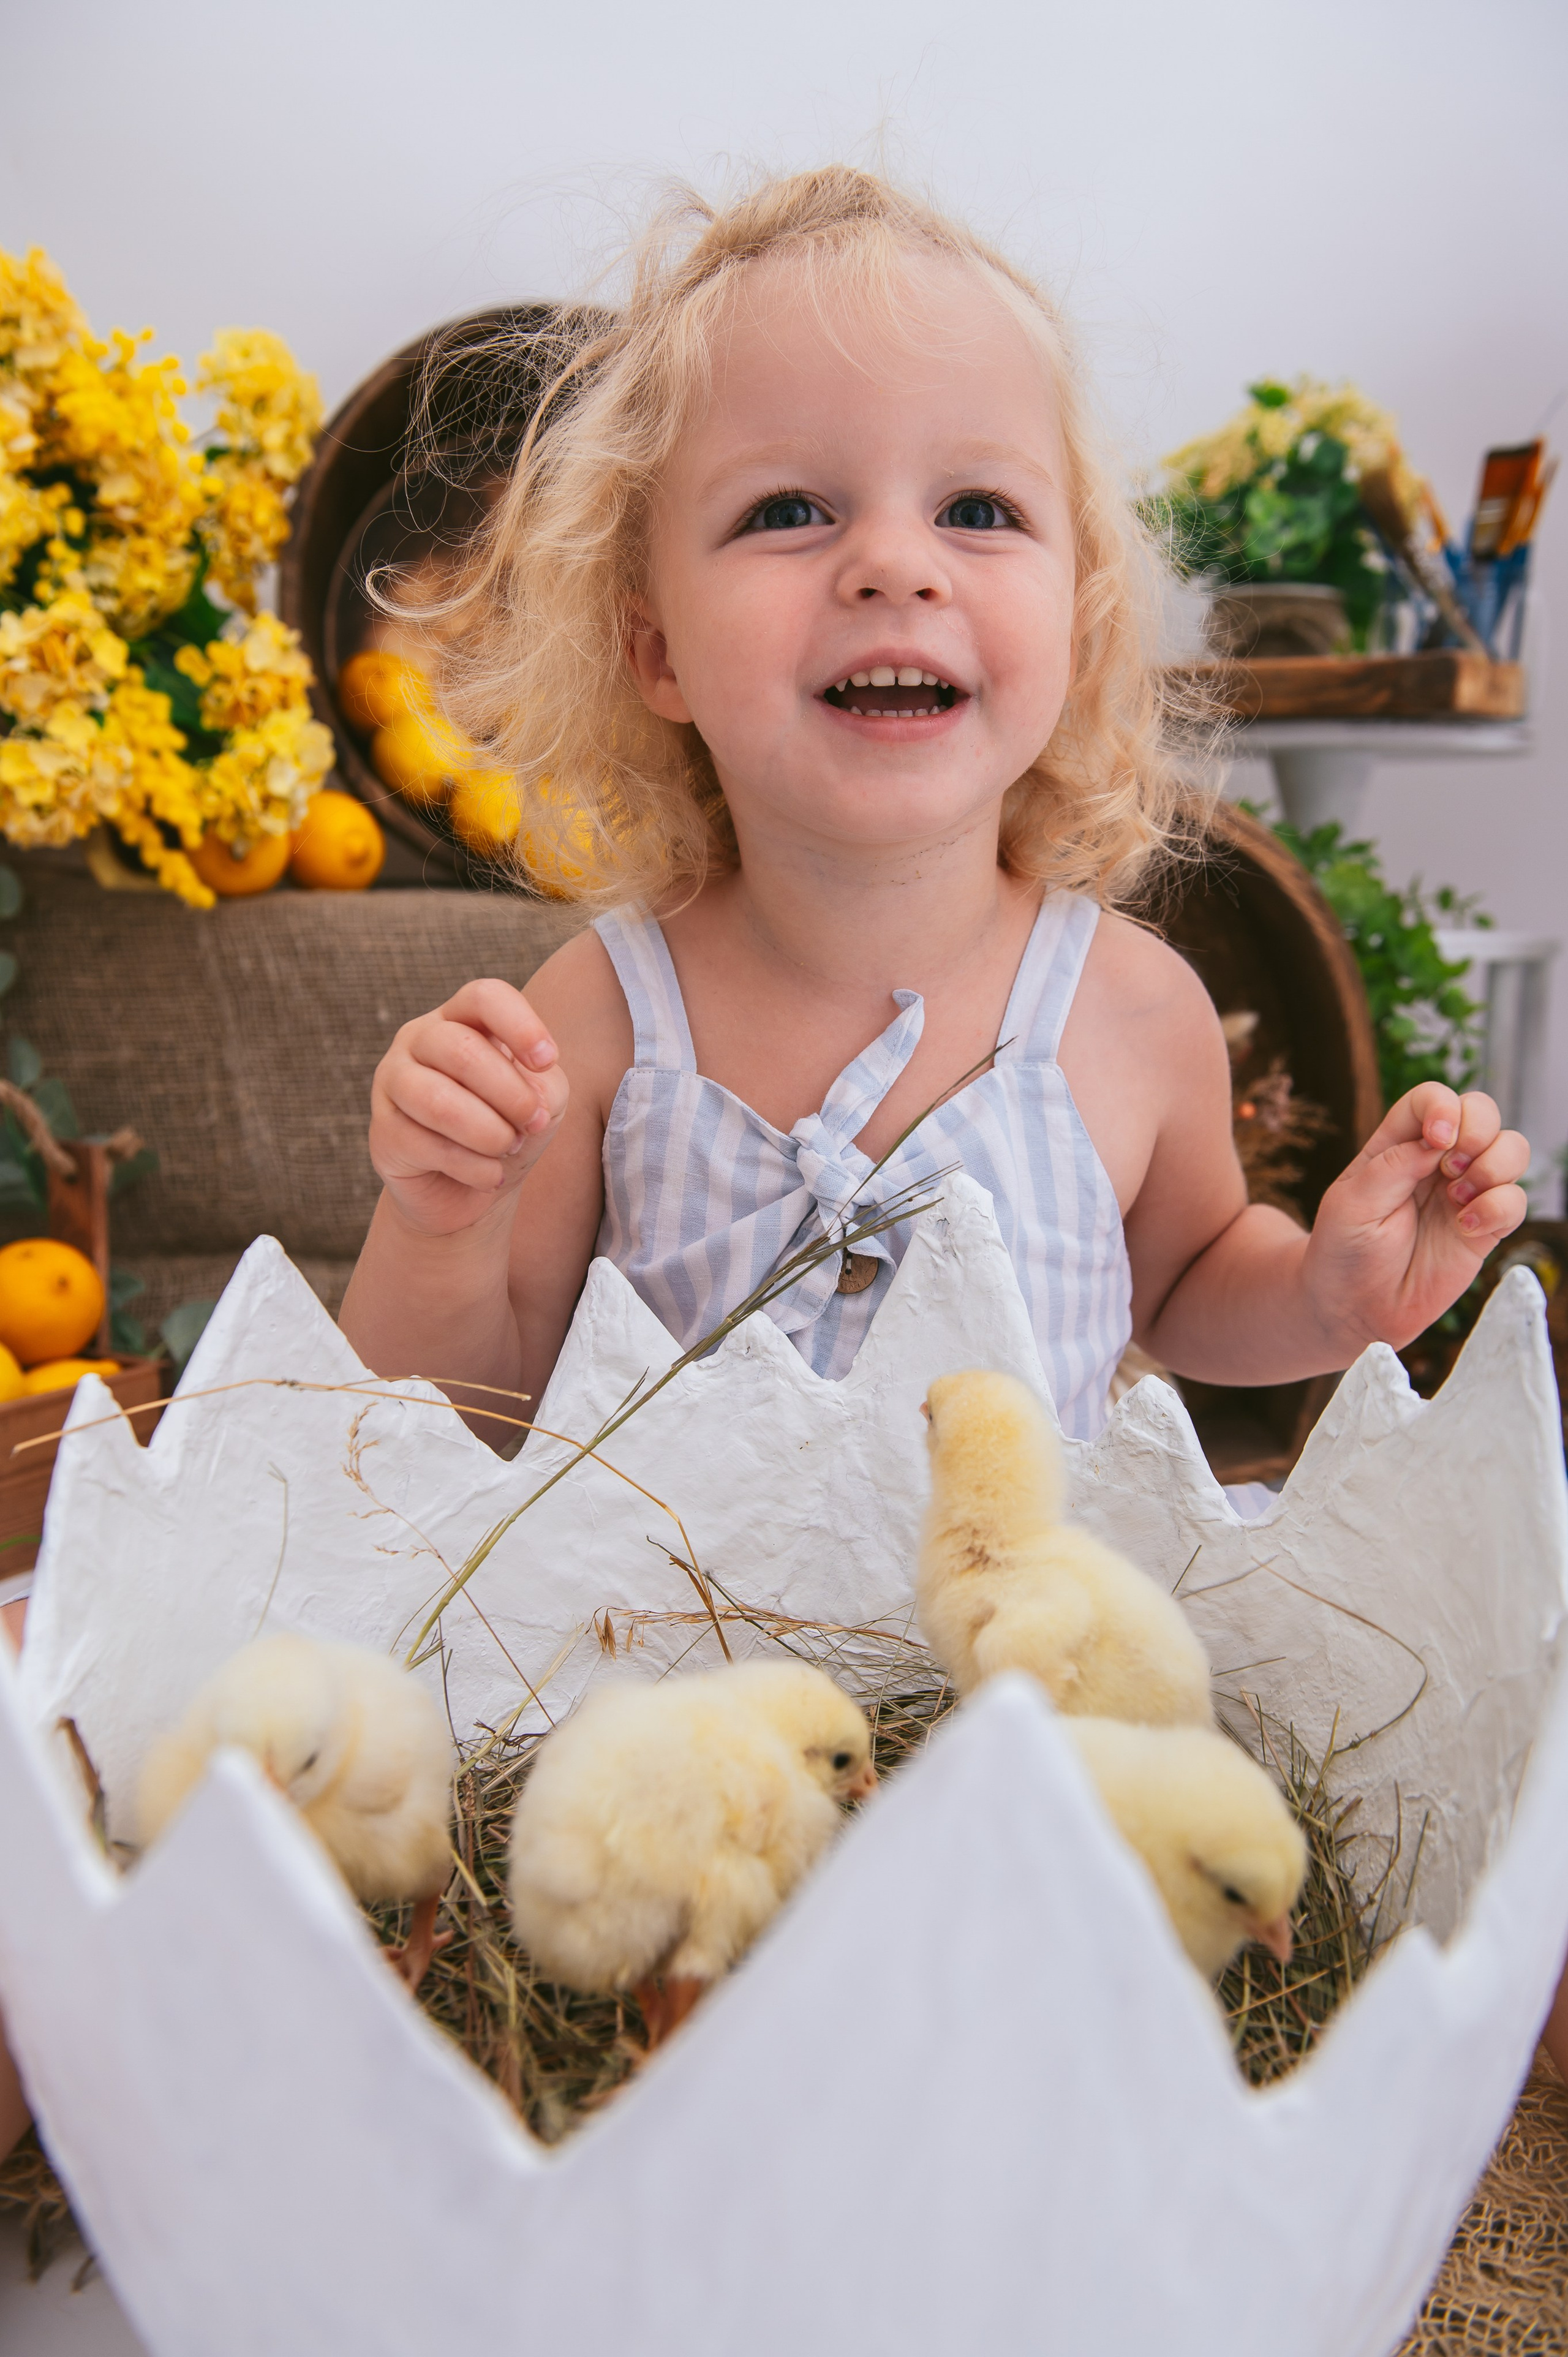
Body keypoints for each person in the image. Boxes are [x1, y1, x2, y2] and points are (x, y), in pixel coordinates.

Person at [340, 167, 1528, 1442]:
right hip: (697, 1644)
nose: (894, 566)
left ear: (1074, 628)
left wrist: (1320, 1292)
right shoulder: (597, 1026)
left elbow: (1181, 1287)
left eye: (976, 508)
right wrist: (439, 1224)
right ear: (657, 651)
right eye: (786, 509)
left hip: (1025, 1638)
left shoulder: (1129, 1010)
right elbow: (457, 1423)